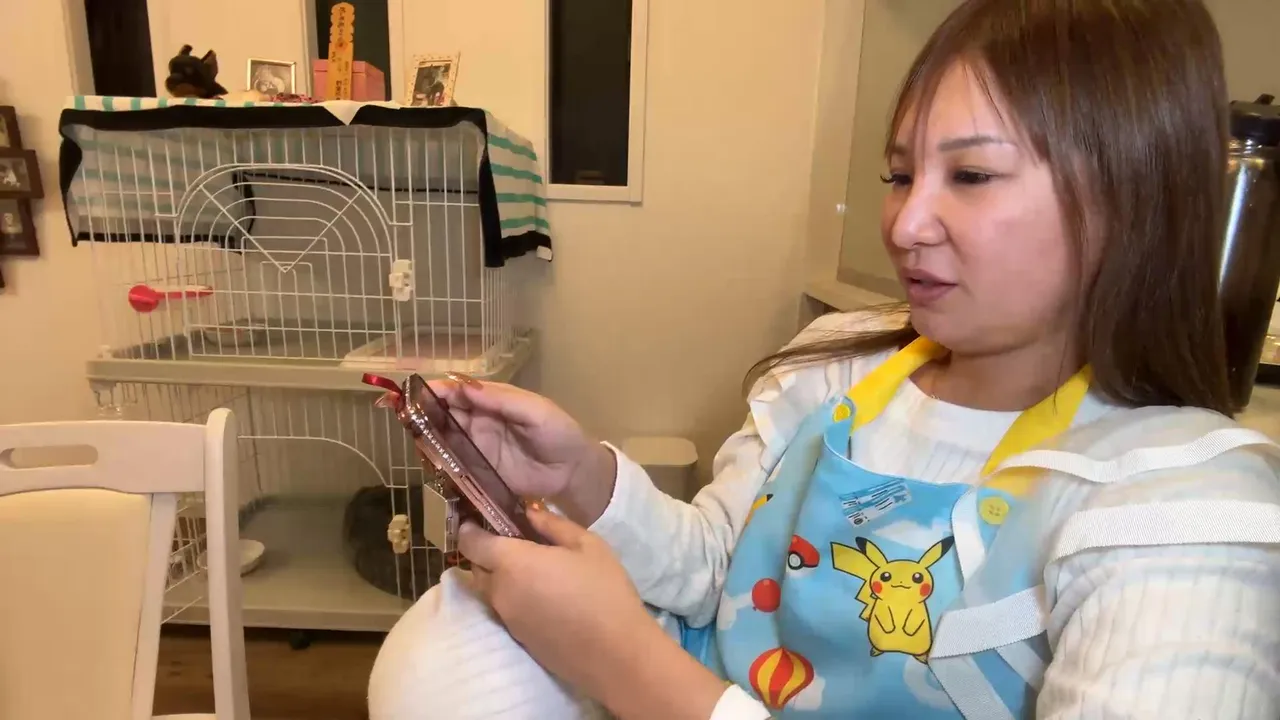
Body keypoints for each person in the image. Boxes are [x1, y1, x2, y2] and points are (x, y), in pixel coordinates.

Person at [368, 0, 1280, 717]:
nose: (906, 224)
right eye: (899, 175)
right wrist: (582, 479)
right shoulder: (831, 369)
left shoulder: (1185, 507)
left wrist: (631, 669)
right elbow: (720, 572)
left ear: (1133, 197)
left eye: (970, 176)